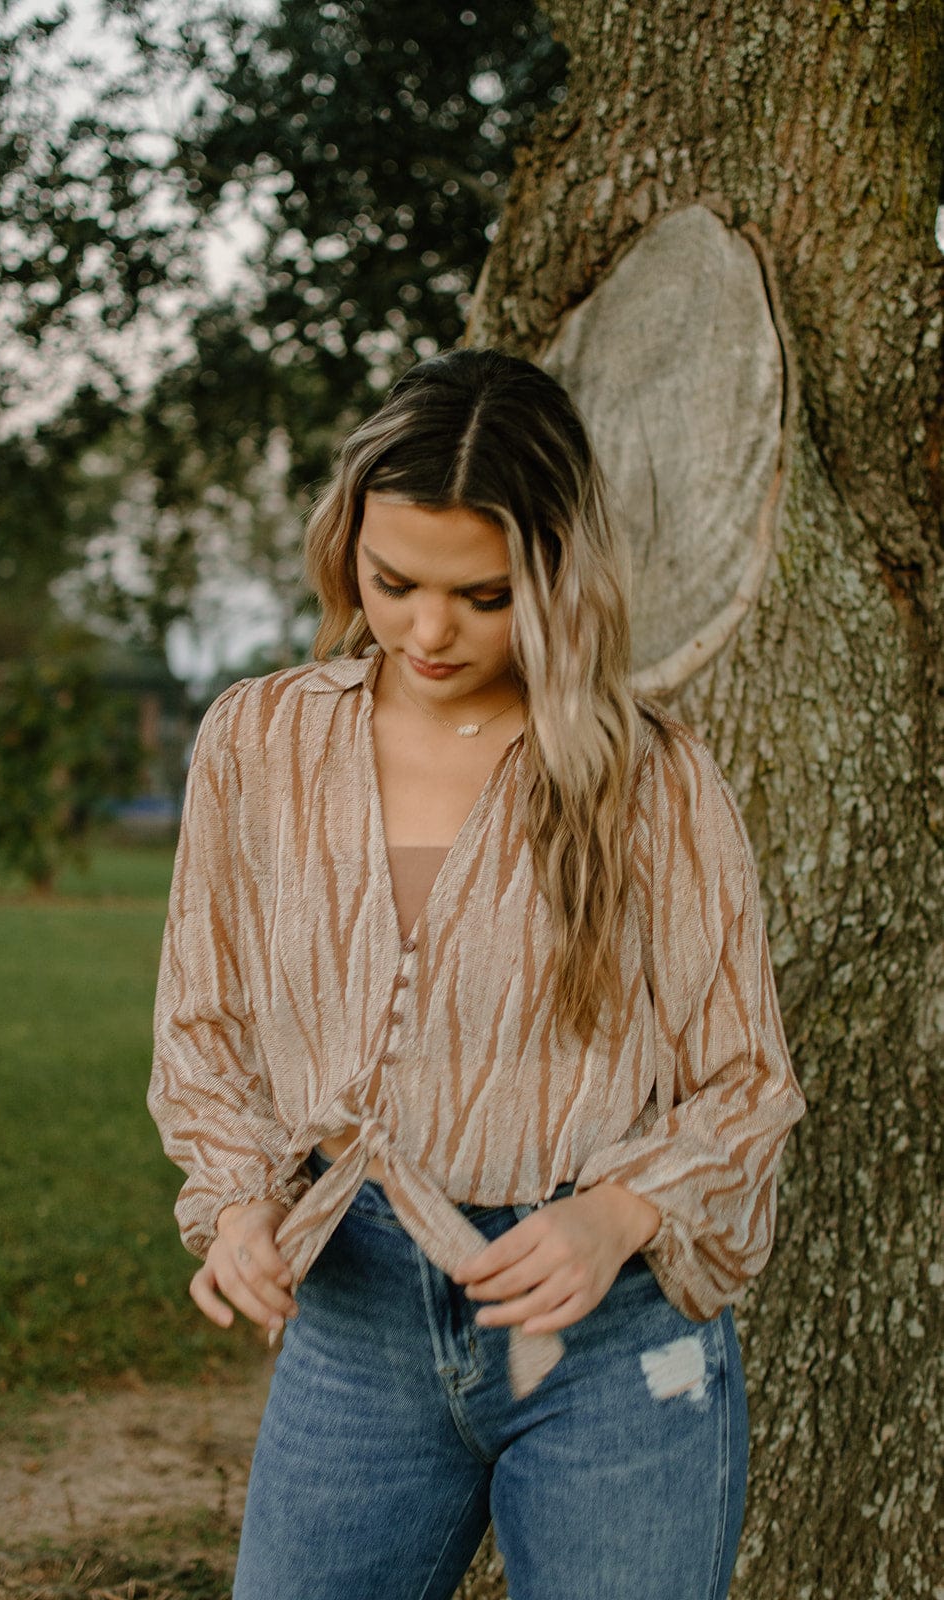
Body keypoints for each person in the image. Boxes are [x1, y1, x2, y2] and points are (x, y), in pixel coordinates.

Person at [148, 347, 805, 1600]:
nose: (427, 629)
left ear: (556, 579)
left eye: (484, 595)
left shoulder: (648, 778)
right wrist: (234, 1208)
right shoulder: (260, 739)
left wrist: (613, 1214)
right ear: (346, 541)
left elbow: (744, 1076)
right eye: (391, 581)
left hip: (610, 1340)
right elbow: (204, 1022)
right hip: (354, 1320)